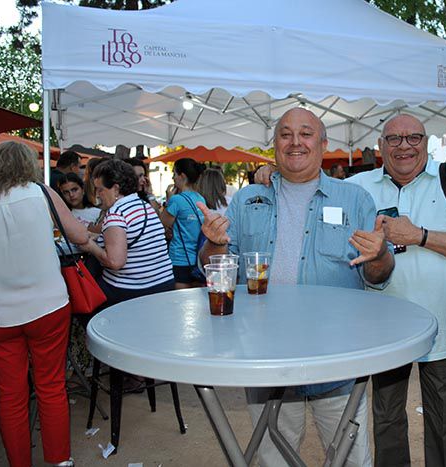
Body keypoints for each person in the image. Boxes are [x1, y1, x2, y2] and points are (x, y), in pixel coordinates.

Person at [198, 108, 394, 467]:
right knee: (273, 460)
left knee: (352, 461)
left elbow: (378, 274)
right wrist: (214, 244)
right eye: (285, 134)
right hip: (264, 356)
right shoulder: (246, 200)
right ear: (274, 146)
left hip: (338, 358)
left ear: (323, 143)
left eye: (305, 134)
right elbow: (216, 267)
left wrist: (380, 255)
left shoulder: (355, 200)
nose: (295, 142)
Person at [348, 114, 446, 467]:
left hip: (441, 321)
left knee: (444, 419)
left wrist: (418, 236)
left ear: (426, 142)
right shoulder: (359, 185)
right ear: (381, 146)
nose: (404, 146)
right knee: (388, 418)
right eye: (394, 139)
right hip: (382, 326)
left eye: (413, 138)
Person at [0, 141, 89, 467]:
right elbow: (77, 235)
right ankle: (60, 461)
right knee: (50, 387)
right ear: (26, 166)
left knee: (10, 396)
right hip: (47, 307)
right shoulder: (42, 193)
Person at [79, 159, 174, 306]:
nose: (97, 194)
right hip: (164, 284)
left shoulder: (116, 214)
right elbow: (134, 238)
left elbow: (115, 262)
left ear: (116, 189)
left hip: (132, 290)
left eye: (100, 189)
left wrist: (89, 245)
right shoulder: (144, 206)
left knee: (83, 295)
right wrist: (100, 236)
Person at [160, 158, 207, 289]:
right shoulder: (200, 198)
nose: (173, 178)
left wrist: (168, 200)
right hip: (197, 258)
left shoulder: (176, 200)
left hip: (180, 257)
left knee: (180, 303)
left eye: (174, 174)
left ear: (182, 176)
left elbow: (161, 223)